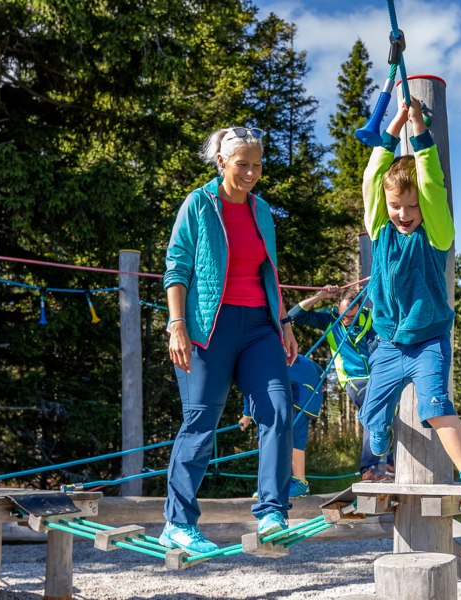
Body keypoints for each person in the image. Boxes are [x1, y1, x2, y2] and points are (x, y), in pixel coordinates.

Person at [162, 125, 299, 555]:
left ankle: (273, 512)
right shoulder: (199, 205)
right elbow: (176, 268)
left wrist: (285, 323)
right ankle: (178, 524)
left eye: (257, 165)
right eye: (243, 164)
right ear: (221, 162)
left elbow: (269, 272)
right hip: (208, 327)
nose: (251, 173)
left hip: (260, 327)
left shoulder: (261, 211)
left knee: (278, 408)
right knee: (201, 422)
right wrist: (177, 324)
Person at [359, 98, 461, 520]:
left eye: (412, 207)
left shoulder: (436, 233)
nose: (404, 214)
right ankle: (379, 439)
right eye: (397, 206)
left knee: (436, 409)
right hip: (387, 344)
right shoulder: (379, 227)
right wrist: (393, 124)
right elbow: (372, 178)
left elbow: (432, 184)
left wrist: (418, 127)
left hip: (427, 343)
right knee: (370, 415)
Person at [287, 285, 394, 481]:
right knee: (372, 407)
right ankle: (369, 467)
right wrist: (321, 296)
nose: (347, 319)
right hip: (353, 379)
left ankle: (391, 463)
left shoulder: (372, 318)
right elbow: (293, 315)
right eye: (343, 314)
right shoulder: (329, 318)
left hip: (377, 377)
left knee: (393, 410)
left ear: (360, 308)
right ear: (338, 307)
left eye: (351, 316)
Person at [240, 353, 325, 498]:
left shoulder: (255, 358)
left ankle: (284, 484)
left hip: (293, 392)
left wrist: (247, 415)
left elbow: (250, 386)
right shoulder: (295, 359)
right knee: (286, 436)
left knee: (274, 436)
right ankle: (287, 483)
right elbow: (320, 371)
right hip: (304, 393)